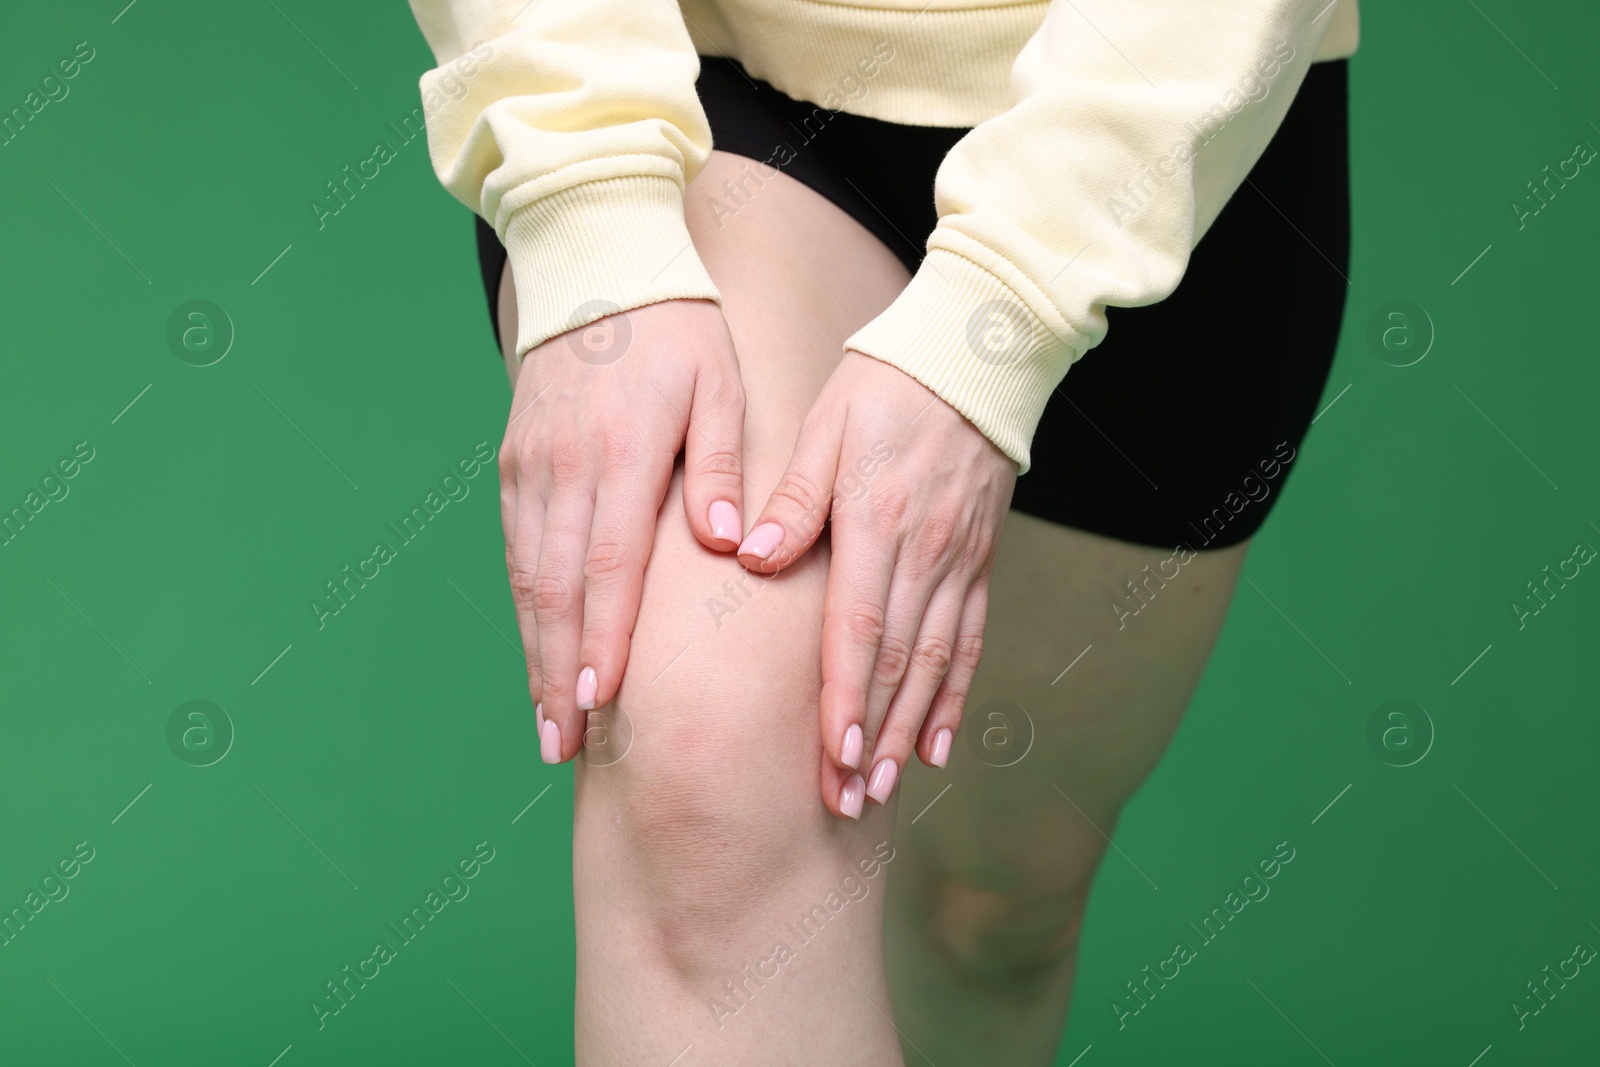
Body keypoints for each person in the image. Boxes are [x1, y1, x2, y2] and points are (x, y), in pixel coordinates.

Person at [409, 0, 1359, 1061]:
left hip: (1157, 113)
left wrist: (999, 314)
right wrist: (584, 200)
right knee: (706, 771)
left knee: (991, 908)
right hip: (699, 82)